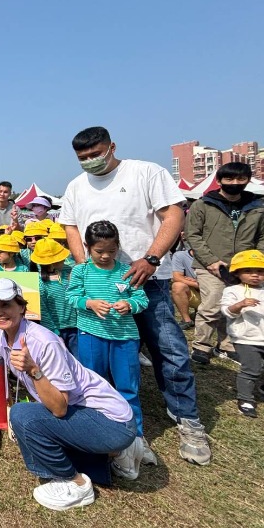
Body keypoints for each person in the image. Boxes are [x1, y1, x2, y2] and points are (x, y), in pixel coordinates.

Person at [58, 126, 211, 467]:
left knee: (168, 349)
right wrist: (85, 269)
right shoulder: (75, 187)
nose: (90, 162)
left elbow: (174, 213)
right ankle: (102, 419)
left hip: (145, 279)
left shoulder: (145, 172)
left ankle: (188, 420)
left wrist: (152, 257)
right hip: (97, 285)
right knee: (97, 357)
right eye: (82, 158)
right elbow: (70, 227)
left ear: (112, 147)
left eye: (95, 154)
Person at [0, 278, 136, 511]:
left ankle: (76, 483)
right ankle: (114, 454)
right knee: (33, 424)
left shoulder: (43, 342)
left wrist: (33, 370)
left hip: (111, 421)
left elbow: (59, 408)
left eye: (5, 305)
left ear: (22, 306)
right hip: (91, 416)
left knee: (23, 415)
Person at [65, 220, 151, 479]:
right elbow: (71, 297)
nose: (105, 256)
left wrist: (129, 305)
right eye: (98, 251)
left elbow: (141, 298)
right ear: (87, 247)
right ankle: (95, 433)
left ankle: (136, 439)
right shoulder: (81, 272)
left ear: (118, 248)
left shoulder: (127, 271)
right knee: (93, 386)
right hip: (90, 335)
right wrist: (89, 303)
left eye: (111, 251)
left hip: (124, 337)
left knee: (128, 388)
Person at [185, 162, 264, 365]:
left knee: (238, 302)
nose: (235, 183)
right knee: (212, 304)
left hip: (245, 266)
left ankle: (227, 344)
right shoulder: (203, 204)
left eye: (240, 179)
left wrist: (255, 261)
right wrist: (210, 261)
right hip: (209, 263)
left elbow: (262, 237)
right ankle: (201, 345)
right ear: (219, 181)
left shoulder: (257, 207)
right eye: (229, 179)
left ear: (248, 180)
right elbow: (193, 234)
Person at [220, 250, 264, 418]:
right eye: (248, 271)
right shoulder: (233, 290)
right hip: (246, 338)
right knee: (251, 368)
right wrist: (240, 305)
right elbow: (226, 311)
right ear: (237, 273)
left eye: (260, 271)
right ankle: (245, 399)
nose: (255, 275)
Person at [31, 238, 78, 356]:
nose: (64, 260)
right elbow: (44, 310)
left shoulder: (70, 271)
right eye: (61, 259)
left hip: (75, 327)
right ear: (52, 262)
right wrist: (53, 332)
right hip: (55, 330)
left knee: (79, 361)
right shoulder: (39, 281)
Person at [171, 247, 201, 329]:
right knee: (178, 286)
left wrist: (196, 282)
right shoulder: (180, 255)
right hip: (198, 291)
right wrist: (196, 283)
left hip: (215, 293)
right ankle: (187, 320)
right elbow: (176, 277)